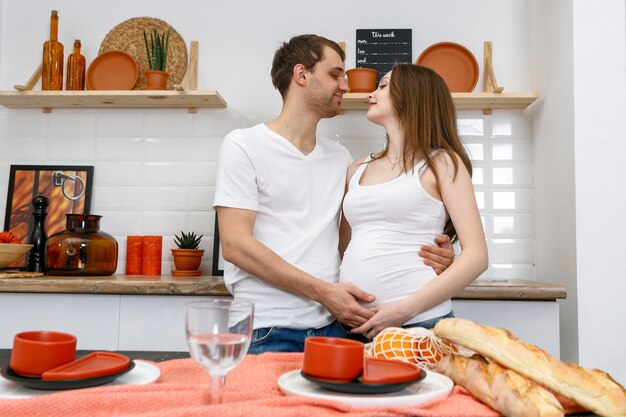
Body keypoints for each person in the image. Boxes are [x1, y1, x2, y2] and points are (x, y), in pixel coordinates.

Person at [213, 35, 455, 353]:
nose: (345, 85)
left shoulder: (340, 158)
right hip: (268, 330)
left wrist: (436, 255)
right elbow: (235, 246)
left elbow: (355, 241)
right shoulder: (243, 145)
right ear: (302, 75)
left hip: (337, 328)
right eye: (335, 74)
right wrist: (323, 292)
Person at [338, 64, 489, 340]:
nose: (371, 93)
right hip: (353, 326)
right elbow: (344, 248)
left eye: (382, 86)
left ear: (412, 97)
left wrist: (403, 310)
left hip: (418, 324)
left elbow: (477, 257)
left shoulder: (442, 163)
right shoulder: (357, 168)